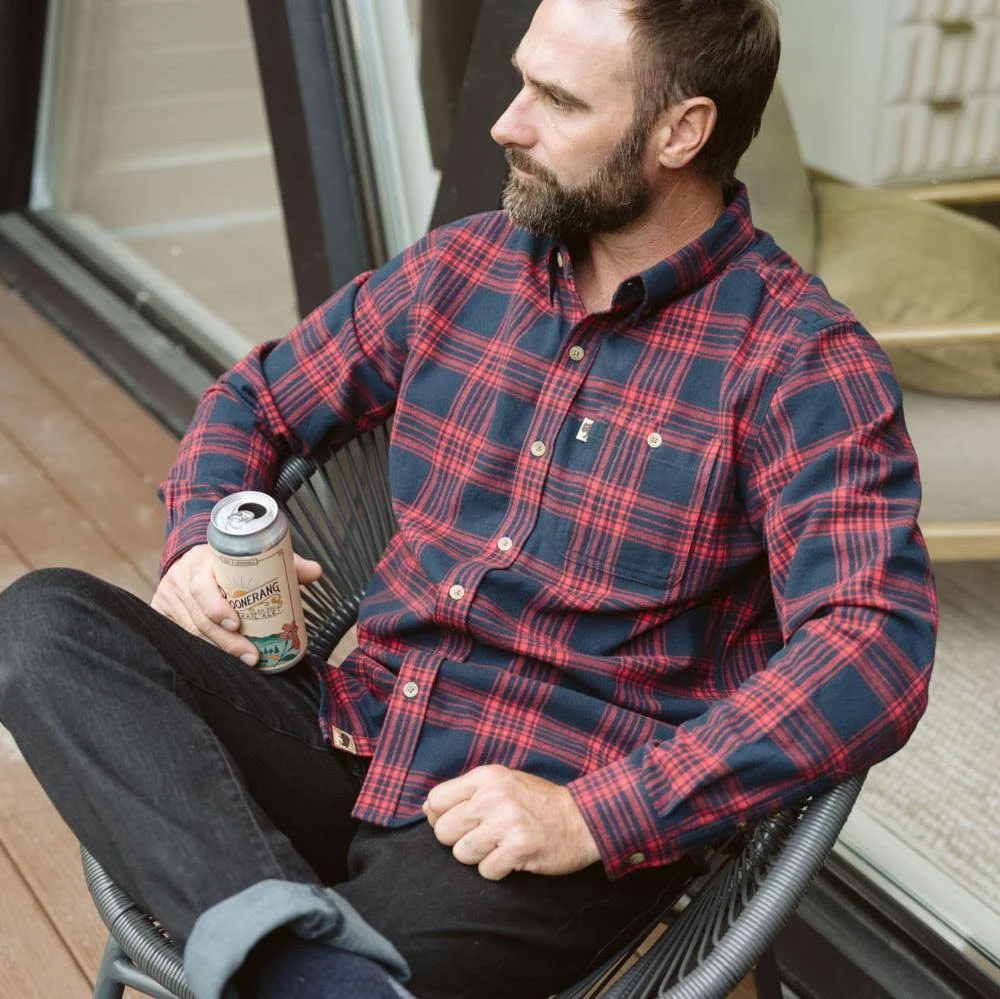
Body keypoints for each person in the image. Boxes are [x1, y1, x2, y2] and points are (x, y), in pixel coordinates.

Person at [0, 0, 938, 997]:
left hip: (532, 826)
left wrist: (594, 816)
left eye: (557, 101)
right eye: (522, 80)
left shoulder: (800, 362)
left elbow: (872, 646)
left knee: (376, 960)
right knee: (43, 625)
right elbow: (257, 400)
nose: (506, 121)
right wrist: (200, 542)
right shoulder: (463, 268)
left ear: (681, 132)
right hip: (351, 730)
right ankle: (305, 965)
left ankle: (286, 948)